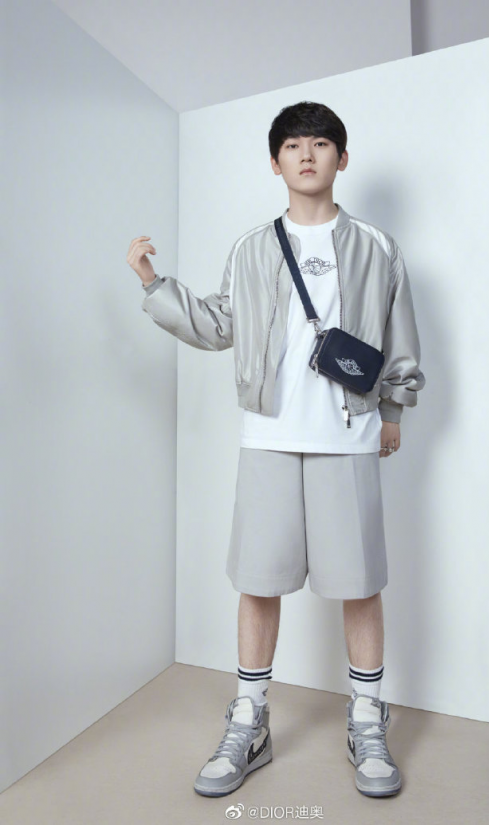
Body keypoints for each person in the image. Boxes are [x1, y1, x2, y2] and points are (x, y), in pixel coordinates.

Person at [126, 101, 425, 799]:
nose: (307, 154)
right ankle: (250, 718)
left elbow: (399, 335)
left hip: (348, 436)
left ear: (342, 158)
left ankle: (366, 717)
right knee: (257, 582)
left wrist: (392, 411)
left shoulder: (377, 246)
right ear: (275, 162)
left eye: (320, 143)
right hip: (267, 436)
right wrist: (152, 284)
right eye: (293, 145)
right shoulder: (252, 247)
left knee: (359, 583)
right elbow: (218, 325)